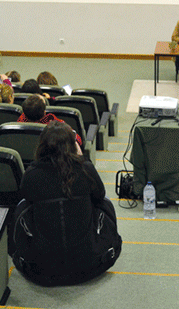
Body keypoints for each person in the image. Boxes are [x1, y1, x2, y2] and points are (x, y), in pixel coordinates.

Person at [13, 122, 121, 286]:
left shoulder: (32, 173)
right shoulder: (85, 169)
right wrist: (82, 158)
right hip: (89, 266)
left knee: (23, 206)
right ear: (72, 145)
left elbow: (26, 199)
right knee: (104, 203)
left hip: (43, 270)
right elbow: (100, 196)